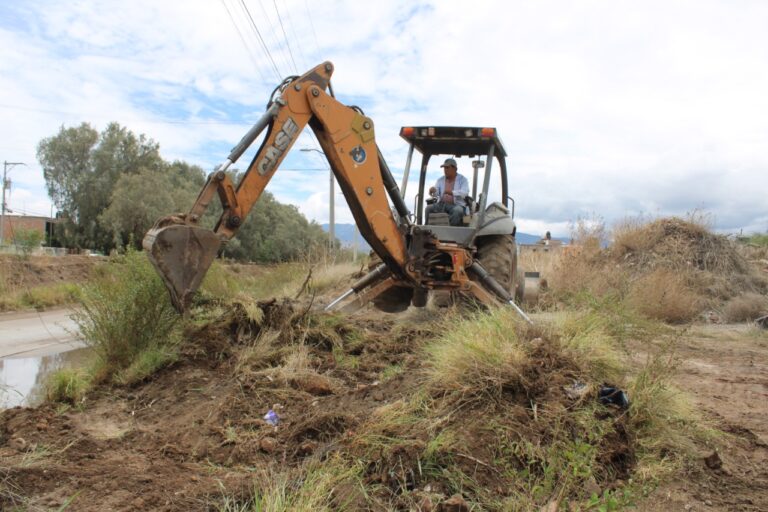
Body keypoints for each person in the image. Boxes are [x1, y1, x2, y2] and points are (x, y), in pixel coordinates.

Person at [426, 158, 469, 226]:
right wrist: (433, 191)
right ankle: (427, 230)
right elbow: (436, 193)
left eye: (447, 168)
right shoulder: (440, 180)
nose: (445, 170)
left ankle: (450, 232)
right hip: (442, 204)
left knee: (457, 211)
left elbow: (465, 192)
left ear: (455, 169)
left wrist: (452, 192)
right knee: (428, 208)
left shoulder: (463, 180)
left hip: (456, 205)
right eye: (444, 168)